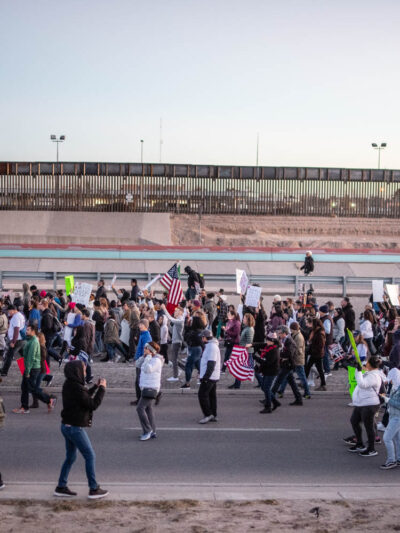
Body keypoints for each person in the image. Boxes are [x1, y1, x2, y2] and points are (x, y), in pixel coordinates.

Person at [54, 360, 108, 499]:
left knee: (71, 457)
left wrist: (95, 387)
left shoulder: (70, 384)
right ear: (77, 371)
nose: (85, 372)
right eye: (84, 370)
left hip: (66, 426)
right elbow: (92, 404)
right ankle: (93, 488)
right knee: (90, 455)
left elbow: (83, 398)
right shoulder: (77, 387)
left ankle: (61, 486)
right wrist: (102, 389)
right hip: (75, 428)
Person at [12, 324, 56, 414]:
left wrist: (27, 371)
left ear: (33, 331)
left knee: (32, 389)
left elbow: (30, 358)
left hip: (32, 369)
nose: (26, 331)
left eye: (28, 330)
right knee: (25, 387)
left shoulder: (34, 341)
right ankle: (24, 407)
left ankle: (48, 399)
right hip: (30, 368)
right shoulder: (30, 340)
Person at [345, 356, 382, 457]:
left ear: (370, 364)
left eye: (367, 363)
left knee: (368, 427)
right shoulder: (370, 372)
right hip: (361, 403)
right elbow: (362, 372)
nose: (365, 365)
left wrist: (358, 371)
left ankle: (371, 449)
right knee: (354, 421)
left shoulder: (374, 376)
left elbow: (362, 384)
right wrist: (358, 367)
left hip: (369, 405)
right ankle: (359, 443)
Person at [136, 342, 163, 441]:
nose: (144, 350)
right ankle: (153, 431)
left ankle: (147, 431)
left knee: (140, 408)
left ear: (151, 350)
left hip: (151, 388)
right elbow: (137, 364)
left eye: (146, 348)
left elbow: (148, 369)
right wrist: (144, 357)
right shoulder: (149, 358)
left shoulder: (156, 361)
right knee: (148, 409)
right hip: (146, 387)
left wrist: (147, 358)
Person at [198, 330, 221, 424]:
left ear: (205, 337)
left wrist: (205, 377)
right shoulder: (210, 346)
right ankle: (213, 414)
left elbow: (211, 364)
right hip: (212, 376)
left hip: (210, 376)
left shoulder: (211, 347)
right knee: (211, 396)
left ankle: (208, 414)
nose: (201, 339)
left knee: (202, 395)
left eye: (202, 337)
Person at [254, 332, 280, 413]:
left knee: (266, 388)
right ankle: (275, 402)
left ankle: (268, 407)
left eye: (268, 340)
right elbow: (261, 344)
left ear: (272, 342)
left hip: (271, 371)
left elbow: (267, 362)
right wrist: (251, 344)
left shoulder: (273, 350)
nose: (267, 342)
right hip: (267, 371)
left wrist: (255, 358)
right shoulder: (269, 347)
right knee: (264, 387)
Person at [380, 367, 400, 469]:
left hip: (397, 417)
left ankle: (391, 460)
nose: (390, 380)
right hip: (394, 416)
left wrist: (388, 400)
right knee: (397, 439)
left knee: (387, 438)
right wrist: (386, 396)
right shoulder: (396, 387)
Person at [228, 313, 254, 389]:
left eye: (245, 318)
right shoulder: (246, 328)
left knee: (251, 369)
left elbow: (249, 342)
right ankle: (237, 384)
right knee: (239, 367)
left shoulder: (249, 329)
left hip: (247, 351)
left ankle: (262, 383)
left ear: (248, 320)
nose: (243, 319)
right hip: (243, 350)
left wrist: (243, 349)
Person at [161, 305, 184, 382]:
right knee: (174, 359)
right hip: (175, 341)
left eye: (177, 311)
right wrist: (168, 325)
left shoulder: (180, 320)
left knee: (174, 359)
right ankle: (181, 369)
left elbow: (170, 318)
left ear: (181, 312)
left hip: (177, 342)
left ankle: (175, 376)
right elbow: (172, 331)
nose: (175, 312)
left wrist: (164, 309)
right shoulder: (178, 321)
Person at [1, 305, 25, 376]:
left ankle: (4, 371)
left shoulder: (16, 317)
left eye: (9, 311)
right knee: (24, 355)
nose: (8, 313)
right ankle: (26, 369)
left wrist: (13, 341)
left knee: (9, 356)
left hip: (17, 340)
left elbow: (16, 329)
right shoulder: (20, 315)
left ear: (13, 310)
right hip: (20, 339)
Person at [181, 314, 205, 388]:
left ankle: (187, 383)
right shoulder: (198, 331)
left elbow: (187, 338)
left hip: (194, 349)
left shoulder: (196, 332)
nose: (190, 322)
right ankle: (204, 379)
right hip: (197, 349)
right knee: (198, 365)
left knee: (188, 366)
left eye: (192, 321)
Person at [305, 318, 327, 391]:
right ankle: (323, 384)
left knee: (313, 368)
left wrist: (313, 349)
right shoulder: (315, 331)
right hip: (315, 353)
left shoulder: (320, 332)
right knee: (312, 368)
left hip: (317, 354)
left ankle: (323, 385)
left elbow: (321, 345)